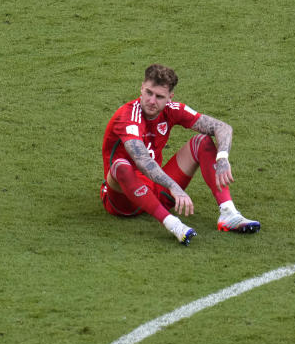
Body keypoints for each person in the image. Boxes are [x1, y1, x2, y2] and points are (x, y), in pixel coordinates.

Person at [100, 64, 259, 245]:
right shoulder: (128, 116)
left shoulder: (172, 110)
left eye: (159, 96)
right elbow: (142, 160)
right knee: (121, 166)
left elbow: (222, 127)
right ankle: (173, 223)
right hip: (123, 200)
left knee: (202, 141)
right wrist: (174, 186)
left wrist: (222, 157)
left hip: (156, 188)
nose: (152, 101)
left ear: (170, 97)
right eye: (149, 93)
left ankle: (229, 213)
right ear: (141, 88)